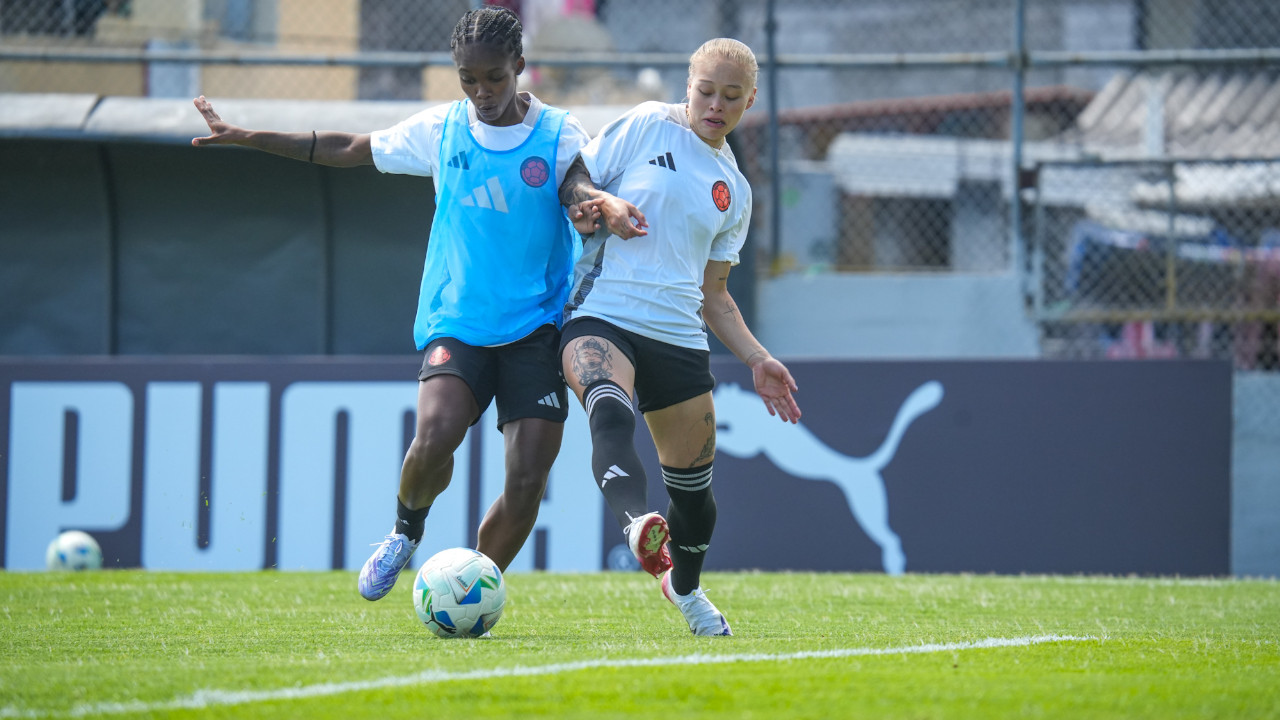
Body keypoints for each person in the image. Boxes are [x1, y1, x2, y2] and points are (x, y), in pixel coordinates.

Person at [192, 6, 594, 601]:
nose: (481, 92)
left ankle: (472, 585)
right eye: (467, 78)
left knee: (528, 479)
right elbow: (349, 146)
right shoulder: (443, 130)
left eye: (493, 78)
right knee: (433, 435)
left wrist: (589, 204)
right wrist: (250, 137)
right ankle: (405, 534)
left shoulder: (561, 134)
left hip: (537, 327)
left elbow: (578, 186)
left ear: (519, 67)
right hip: (457, 321)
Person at [557, 38, 801, 636]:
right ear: (687, 86)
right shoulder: (646, 125)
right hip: (602, 312)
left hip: (678, 337)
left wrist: (757, 357)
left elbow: (715, 294)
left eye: (731, 96)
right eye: (706, 91)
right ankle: (638, 523)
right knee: (607, 411)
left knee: (695, 497)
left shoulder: (734, 192)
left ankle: (685, 589)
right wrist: (602, 203)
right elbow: (574, 180)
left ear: (750, 101)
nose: (715, 105)